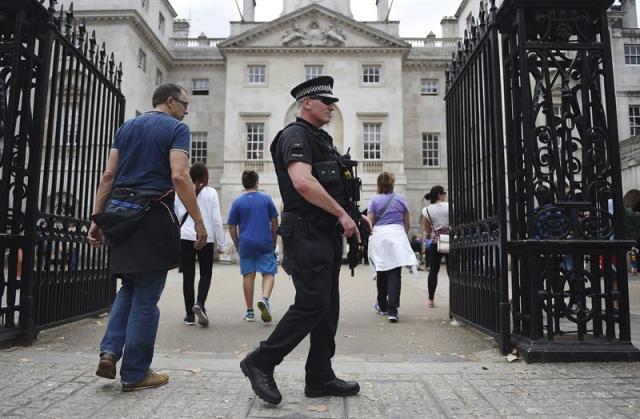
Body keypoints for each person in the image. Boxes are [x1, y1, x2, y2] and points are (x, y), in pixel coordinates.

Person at [239, 76, 363, 405]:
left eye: (333, 101)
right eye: (326, 101)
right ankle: (261, 361)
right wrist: (341, 214)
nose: (332, 106)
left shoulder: (322, 140)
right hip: (307, 231)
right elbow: (303, 182)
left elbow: (331, 185)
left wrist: (353, 213)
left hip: (324, 233)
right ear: (306, 103)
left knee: (328, 308)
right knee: (312, 304)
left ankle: (320, 376)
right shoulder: (295, 135)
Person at [88, 83, 207, 392]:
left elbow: (108, 176)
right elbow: (180, 175)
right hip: (151, 217)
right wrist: (198, 220)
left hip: (120, 215)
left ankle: (110, 351)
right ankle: (135, 372)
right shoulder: (176, 129)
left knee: (128, 286)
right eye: (184, 104)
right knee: (147, 297)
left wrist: (96, 219)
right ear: (170, 102)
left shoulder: (125, 128)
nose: (186, 111)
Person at [175, 162, 225, 327]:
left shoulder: (181, 192)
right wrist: (221, 242)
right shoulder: (211, 193)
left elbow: (176, 215)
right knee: (206, 274)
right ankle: (200, 304)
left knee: (188, 276)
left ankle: (189, 315)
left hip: (185, 236)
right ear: (205, 176)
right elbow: (217, 219)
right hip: (206, 237)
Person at [227, 170, 279, 323]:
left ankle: (250, 312)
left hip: (246, 243)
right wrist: (274, 239)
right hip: (264, 241)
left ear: (244, 184)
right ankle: (264, 299)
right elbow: (275, 221)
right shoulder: (267, 199)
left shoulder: (237, 202)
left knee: (248, 275)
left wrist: (237, 244)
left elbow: (231, 226)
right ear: (257, 182)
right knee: (268, 272)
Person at [366, 172, 417, 323]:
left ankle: (382, 305)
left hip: (380, 235)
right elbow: (407, 222)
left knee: (381, 270)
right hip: (396, 233)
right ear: (392, 183)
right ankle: (393, 310)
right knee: (395, 272)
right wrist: (402, 236)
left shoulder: (374, 199)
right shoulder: (401, 198)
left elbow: (370, 221)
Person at [421, 185, 449, 308]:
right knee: (452, 271)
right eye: (444, 193)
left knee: (433, 271)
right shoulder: (449, 207)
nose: (445, 195)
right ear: (439, 195)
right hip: (450, 241)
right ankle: (455, 298)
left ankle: (431, 300)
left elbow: (427, 230)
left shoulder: (427, 210)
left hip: (435, 241)